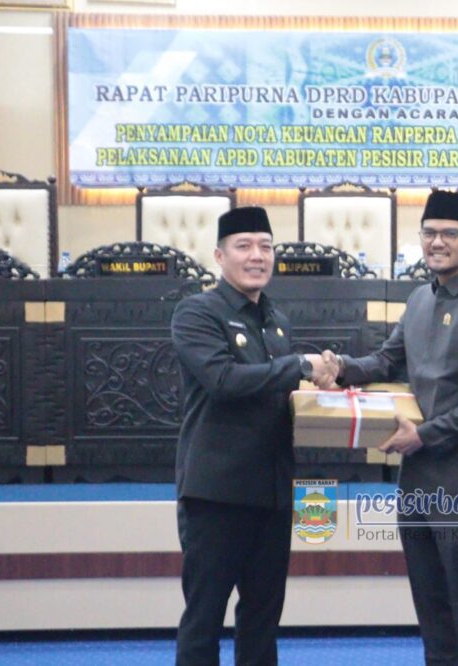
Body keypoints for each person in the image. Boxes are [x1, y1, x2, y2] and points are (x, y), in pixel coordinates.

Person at [320, 190, 458, 666]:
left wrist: (423, 435)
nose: (437, 242)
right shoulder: (420, 298)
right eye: (429, 233)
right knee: (429, 599)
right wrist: (340, 367)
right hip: (416, 473)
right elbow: (386, 360)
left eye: (450, 233)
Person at [172, 206, 330, 665]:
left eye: (266, 246)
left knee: (262, 620)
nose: (257, 256)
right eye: (244, 246)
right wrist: (300, 366)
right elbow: (223, 381)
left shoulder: (277, 320)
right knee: (203, 620)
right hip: (216, 495)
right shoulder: (197, 313)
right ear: (220, 256)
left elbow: (280, 392)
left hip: (272, 493)